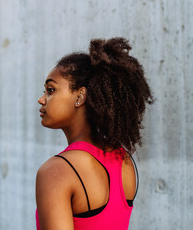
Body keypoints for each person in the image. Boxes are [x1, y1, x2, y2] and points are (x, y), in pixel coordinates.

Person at [36, 37, 154, 230]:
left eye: (51, 90)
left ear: (80, 96)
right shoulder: (124, 161)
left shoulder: (56, 171)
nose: (42, 99)